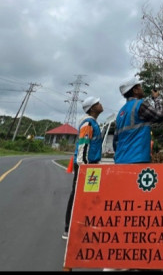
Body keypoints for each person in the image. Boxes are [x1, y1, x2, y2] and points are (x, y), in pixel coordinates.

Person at [63, 95, 104, 240]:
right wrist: (84, 167)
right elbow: (83, 146)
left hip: (91, 165)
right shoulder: (88, 124)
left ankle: (84, 225)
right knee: (77, 195)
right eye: (97, 103)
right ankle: (68, 228)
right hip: (86, 165)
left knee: (89, 195)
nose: (100, 104)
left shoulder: (93, 123)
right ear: (92, 108)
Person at [113, 77, 163, 164]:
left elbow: (115, 141)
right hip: (138, 160)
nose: (142, 88)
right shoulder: (140, 104)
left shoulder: (120, 112)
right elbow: (160, 116)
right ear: (135, 90)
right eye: (139, 86)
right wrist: (156, 98)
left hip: (120, 160)